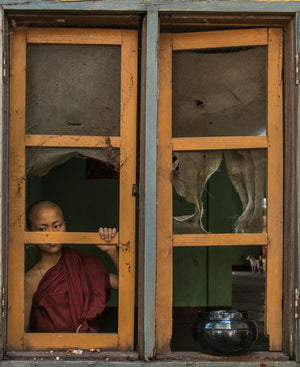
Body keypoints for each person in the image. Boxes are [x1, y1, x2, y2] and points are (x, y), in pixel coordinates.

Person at [25, 200, 118, 333]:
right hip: (48, 352)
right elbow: (18, 336)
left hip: (87, 350)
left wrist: (112, 251)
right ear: (29, 234)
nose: (52, 234)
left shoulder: (81, 266)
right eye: (42, 229)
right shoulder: (29, 281)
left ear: (65, 226)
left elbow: (129, 287)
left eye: (57, 226)